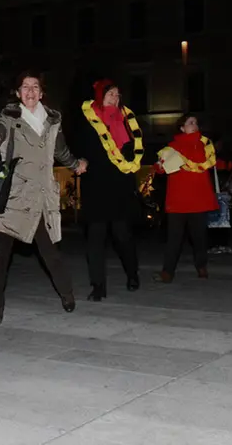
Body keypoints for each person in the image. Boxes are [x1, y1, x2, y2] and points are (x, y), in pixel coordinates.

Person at [0, 71, 87, 328]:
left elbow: (61, 151)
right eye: (25, 87)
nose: (31, 91)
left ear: (42, 93)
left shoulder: (52, 121)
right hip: (12, 197)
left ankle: (67, 295)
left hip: (40, 197)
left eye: (35, 87)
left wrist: (75, 164)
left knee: (50, 253)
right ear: (18, 93)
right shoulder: (9, 118)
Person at [75, 79, 142, 301]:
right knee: (95, 236)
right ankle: (98, 286)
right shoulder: (87, 120)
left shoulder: (127, 121)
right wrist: (80, 160)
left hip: (120, 183)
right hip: (95, 184)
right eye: (110, 94)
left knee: (122, 235)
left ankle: (132, 274)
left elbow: (138, 149)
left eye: (117, 94)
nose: (114, 98)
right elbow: (79, 146)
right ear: (99, 96)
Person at [152, 112, 217, 282]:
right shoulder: (172, 147)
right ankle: (167, 272)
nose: (194, 125)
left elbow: (213, 165)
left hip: (199, 199)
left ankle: (201, 266)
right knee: (174, 239)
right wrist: (159, 166)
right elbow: (160, 169)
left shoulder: (206, 145)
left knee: (200, 238)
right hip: (178, 200)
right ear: (182, 127)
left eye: (195, 122)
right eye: (190, 122)